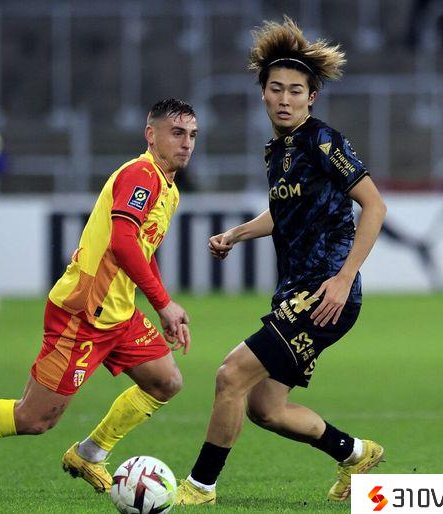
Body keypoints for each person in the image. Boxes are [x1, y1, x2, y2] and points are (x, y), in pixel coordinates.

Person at [0, 99, 198, 493]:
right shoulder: (140, 175)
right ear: (151, 135)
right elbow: (123, 242)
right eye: (177, 133)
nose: (186, 143)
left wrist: (161, 305)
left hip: (118, 314)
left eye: (192, 135)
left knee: (165, 382)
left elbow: (141, 250)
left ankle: (90, 453)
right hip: (83, 313)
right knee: (34, 419)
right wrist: (163, 303)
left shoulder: (169, 188)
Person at [175, 17, 387, 505]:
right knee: (266, 408)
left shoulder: (322, 141)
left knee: (230, 375)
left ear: (312, 97)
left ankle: (199, 487)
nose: (285, 99)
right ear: (263, 94)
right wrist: (237, 234)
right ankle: (355, 454)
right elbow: (285, 211)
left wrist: (344, 278)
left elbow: (374, 206)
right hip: (296, 290)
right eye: (276, 89)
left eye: (295, 91)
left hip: (323, 292)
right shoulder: (278, 151)